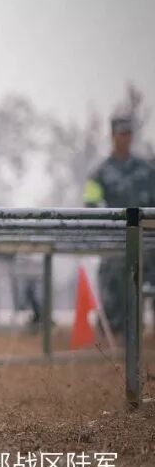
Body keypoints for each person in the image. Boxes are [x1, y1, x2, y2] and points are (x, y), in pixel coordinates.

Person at [84, 115, 155, 333]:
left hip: (147, 241)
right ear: (113, 136)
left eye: (128, 134)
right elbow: (90, 205)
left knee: (145, 286)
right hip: (115, 242)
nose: (125, 138)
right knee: (113, 292)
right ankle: (114, 335)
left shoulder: (147, 170)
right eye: (121, 134)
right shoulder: (100, 173)